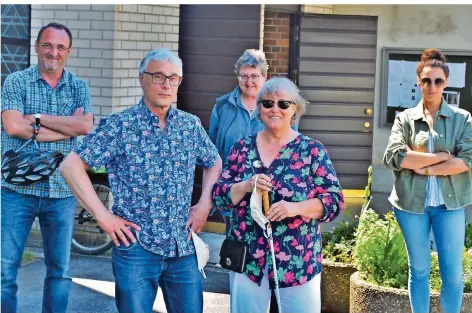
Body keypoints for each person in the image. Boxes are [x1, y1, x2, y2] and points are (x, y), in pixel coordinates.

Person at [60, 48, 222, 313]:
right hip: (136, 248)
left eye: (173, 78)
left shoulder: (189, 125)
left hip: (182, 247)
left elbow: (213, 161)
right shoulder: (119, 126)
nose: (166, 84)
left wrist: (204, 204)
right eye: (158, 76)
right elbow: (71, 166)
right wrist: (103, 216)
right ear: (141, 79)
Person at [212, 77, 344, 313]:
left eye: (284, 104)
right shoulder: (242, 148)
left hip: (297, 261)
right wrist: (245, 185)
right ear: (259, 108)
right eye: (268, 103)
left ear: (295, 109)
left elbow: (333, 202)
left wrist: (296, 208)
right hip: (248, 258)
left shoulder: (312, 150)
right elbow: (220, 195)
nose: (275, 109)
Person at [1, 22, 93, 313]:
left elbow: (86, 125)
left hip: (62, 191)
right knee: (4, 271)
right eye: (48, 45)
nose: (53, 52)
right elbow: (13, 125)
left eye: (60, 47)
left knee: (60, 272)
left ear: (68, 51)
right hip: (17, 189)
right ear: (37, 47)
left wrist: (37, 118)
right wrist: (67, 128)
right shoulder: (16, 81)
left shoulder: (79, 87)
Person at [383, 48, 472, 313]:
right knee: (419, 270)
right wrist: (443, 156)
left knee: (453, 274)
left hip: (450, 205)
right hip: (411, 205)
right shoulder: (405, 118)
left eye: (438, 81)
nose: (431, 86)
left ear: (446, 82)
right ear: (418, 82)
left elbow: (466, 161)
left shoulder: (462, 119)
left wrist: (425, 168)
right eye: (426, 80)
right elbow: (395, 157)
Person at [209, 49, 298, 235]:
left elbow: (292, 150)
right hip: (235, 192)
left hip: (270, 193)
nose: (249, 82)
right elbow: (212, 153)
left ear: (265, 76)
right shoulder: (222, 106)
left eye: (255, 76)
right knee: (237, 247)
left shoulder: (280, 107)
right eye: (244, 76)